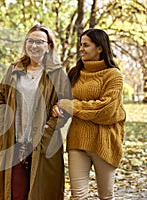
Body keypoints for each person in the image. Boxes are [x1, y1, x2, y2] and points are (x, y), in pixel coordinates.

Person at [0, 24, 71, 200]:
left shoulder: (57, 73)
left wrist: (49, 126)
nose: (34, 45)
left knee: (40, 194)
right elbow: (0, 98)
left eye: (39, 42)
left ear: (49, 46)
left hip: (43, 143)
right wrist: (2, 121)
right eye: (30, 41)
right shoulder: (14, 69)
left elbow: (66, 106)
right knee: (15, 194)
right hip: (14, 143)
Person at [52, 28, 126, 199]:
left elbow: (107, 110)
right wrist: (57, 108)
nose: (81, 49)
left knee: (106, 196)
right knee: (77, 196)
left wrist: (72, 106)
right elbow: (61, 101)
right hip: (78, 140)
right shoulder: (74, 73)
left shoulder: (113, 75)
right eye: (80, 45)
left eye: (86, 45)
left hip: (105, 142)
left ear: (100, 48)